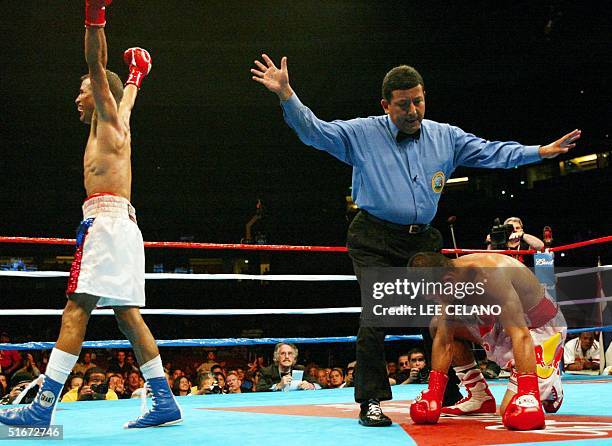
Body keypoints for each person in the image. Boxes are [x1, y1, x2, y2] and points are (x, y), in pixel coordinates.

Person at [251, 54, 580, 427]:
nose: (413, 110)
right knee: (378, 314)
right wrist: (287, 94)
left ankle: (459, 391)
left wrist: (540, 152)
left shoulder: (446, 137)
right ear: (386, 105)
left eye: (418, 100)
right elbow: (315, 132)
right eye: (404, 103)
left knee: (440, 313)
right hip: (375, 236)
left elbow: (491, 151)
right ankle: (370, 400)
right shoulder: (363, 133)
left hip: (422, 237)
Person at [0, 1, 181, 429]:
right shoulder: (120, 122)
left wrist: (94, 17)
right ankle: (164, 400)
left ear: (101, 94)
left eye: (83, 89)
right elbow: (129, 94)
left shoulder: (108, 118)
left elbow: (96, 64)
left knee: (75, 311)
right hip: (122, 225)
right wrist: (137, 75)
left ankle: (44, 405)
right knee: (127, 315)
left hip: (106, 225)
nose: (77, 96)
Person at [408, 252, 566, 431]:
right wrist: (434, 391)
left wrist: (527, 392)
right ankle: (479, 395)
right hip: (497, 323)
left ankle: (550, 386)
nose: (435, 300)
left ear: (448, 280)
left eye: (433, 295)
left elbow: (521, 335)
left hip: (537, 328)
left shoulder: (492, 275)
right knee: (437, 324)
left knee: (511, 412)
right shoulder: (450, 278)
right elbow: (444, 340)